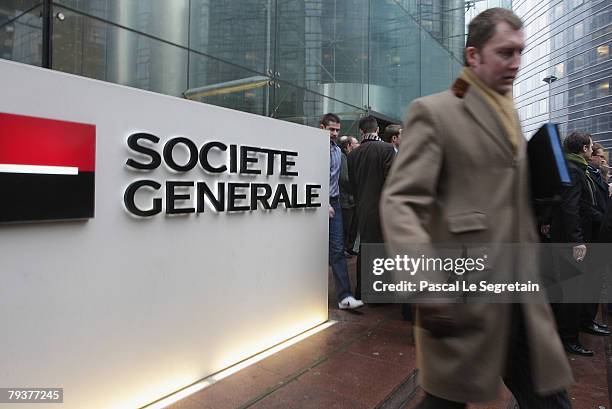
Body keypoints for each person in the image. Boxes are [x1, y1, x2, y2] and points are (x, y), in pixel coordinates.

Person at [380, 8, 573, 408]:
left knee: (549, 398)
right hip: (463, 297)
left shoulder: (511, 115)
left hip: (519, 294)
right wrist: (425, 286)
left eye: (520, 52)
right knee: (446, 400)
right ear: (473, 55)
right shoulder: (434, 112)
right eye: (505, 52)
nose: (516, 63)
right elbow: (401, 202)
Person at [347, 115, 395, 299]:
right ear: (377, 130)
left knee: (365, 249)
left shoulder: (352, 155)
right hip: (382, 208)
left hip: (362, 208)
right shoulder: (387, 149)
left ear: (361, 131)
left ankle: (362, 291)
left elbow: (352, 184)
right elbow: (392, 181)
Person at [320, 113, 363, 310]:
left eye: (337, 130)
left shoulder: (338, 151)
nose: (335, 133)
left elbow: (338, 180)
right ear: (322, 127)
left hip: (335, 202)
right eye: (331, 129)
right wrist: (322, 201)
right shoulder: (313, 148)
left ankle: (345, 297)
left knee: (337, 249)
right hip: (316, 201)